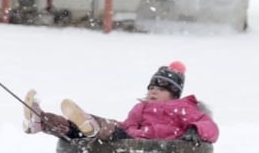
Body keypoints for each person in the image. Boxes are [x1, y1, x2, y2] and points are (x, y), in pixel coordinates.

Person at [22, 61, 219, 143]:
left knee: (104, 128)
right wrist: (130, 131)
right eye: (151, 88)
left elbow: (209, 125)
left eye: (160, 89)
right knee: (82, 128)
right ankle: (43, 121)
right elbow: (130, 123)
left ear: (173, 94)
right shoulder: (141, 107)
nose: (153, 92)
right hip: (131, 137)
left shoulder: (184, 108)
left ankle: (90, 125)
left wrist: (195, 131)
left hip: (155, 144)